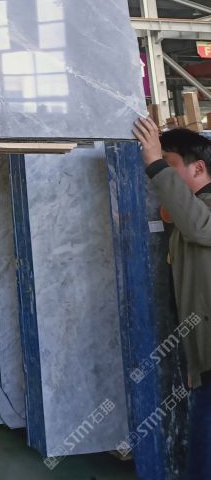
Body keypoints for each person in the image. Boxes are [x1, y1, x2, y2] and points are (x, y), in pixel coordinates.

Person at [134, 116, 211, 480]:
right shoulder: (188, 217)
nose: (162, 172)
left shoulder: (200, 217)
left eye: (171, 164)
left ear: (199, 168)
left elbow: (199, 226)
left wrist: (154, 162)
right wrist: (195, 366)